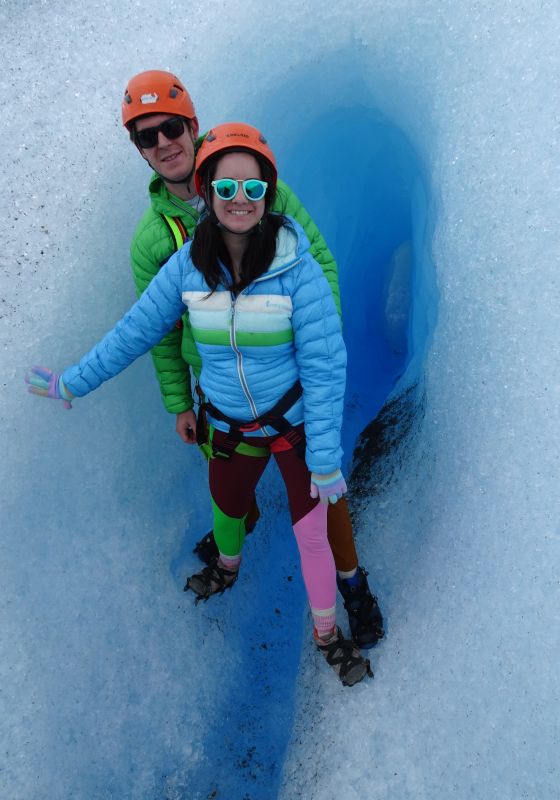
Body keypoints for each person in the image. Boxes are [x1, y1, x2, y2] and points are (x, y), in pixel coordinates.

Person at [25, 122, 373, 686]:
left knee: (310, 534)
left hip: (294, 427)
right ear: (206, 191)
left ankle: (329, 636)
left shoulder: (298, 271)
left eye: (253, 190)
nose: (240, 200)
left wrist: (326, 459)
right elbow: (133, 334)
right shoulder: (185, 267)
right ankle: (229, 567)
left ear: (269, 195)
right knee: (227, 508)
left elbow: (326, 369)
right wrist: (72, 384)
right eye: (227, 188)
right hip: (228, 428)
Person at [121, 70, 384, 649]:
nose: (163, 143)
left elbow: (320, 263)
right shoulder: (153, 240)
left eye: (171, 127)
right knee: (230, 484)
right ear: (138, 149)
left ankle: (353, 587)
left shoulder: (250, 174)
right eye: (146, 136)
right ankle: (236, 538)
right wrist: (178, 402)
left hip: (290, 380)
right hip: (222, 391)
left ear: (192, 124)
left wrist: (319, 354)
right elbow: (160, 332)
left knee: (322, 487)